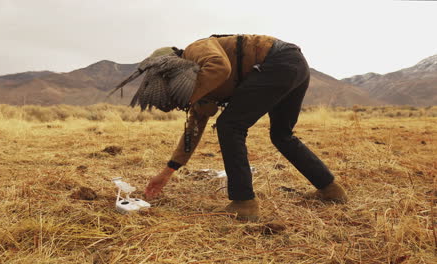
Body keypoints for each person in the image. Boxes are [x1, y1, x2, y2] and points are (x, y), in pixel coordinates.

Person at [143, 34, 348, 221]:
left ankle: (244, 203)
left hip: (278, 60)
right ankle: (330, 189)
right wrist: (168, 171)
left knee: (229, 125)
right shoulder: (198, 81)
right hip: (293, 65)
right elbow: (194, 128)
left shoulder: (195, 50)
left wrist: (191, 97)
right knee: (281, 134)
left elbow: (220, 66)